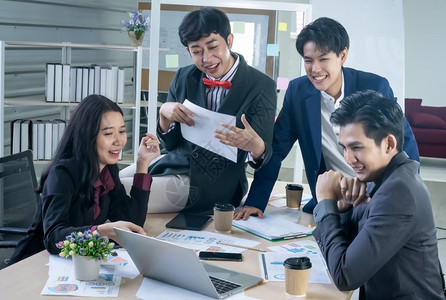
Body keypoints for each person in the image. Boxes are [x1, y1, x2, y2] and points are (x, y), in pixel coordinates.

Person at [235, 17, 419, 220]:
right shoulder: (298, 92)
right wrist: (255, 201)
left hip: (375, 198)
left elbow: (404, 145)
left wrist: (404, 196)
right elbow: (277, 149)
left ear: (342, 55)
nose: (315, 69)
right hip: (331, 200)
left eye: (323, 59)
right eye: (308, 60)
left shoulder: (375, 86)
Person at [119, 7, 276, 214]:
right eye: (197, 51)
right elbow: (170, 144)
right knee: (106, 181)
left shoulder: (261, 85)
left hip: (216, 183)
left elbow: (263, 158)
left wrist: (257, 147)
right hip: (171, 163)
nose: (207, 59)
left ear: (229, 41)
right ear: (188, 51)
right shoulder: (184, 76)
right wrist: (163, 115)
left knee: (118, 192)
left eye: (213, 47)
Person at [312, 90, 444, 299]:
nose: (348, 159)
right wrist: (343, 208)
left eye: (356, 147)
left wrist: (325, 204)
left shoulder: (399, 192)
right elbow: (351, 251)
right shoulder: (386, 178)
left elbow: (345, 276)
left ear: (389, 144)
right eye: (344, 148)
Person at [9, 95, 160, 265]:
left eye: (122, 131)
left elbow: (133, 223)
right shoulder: (62, 173)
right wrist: (100, 231)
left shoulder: (107, 169)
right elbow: (53, 239)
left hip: (71, 264)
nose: (119, 141)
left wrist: (142, 164)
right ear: (88, 136)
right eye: (109, 133)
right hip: (33, 263)